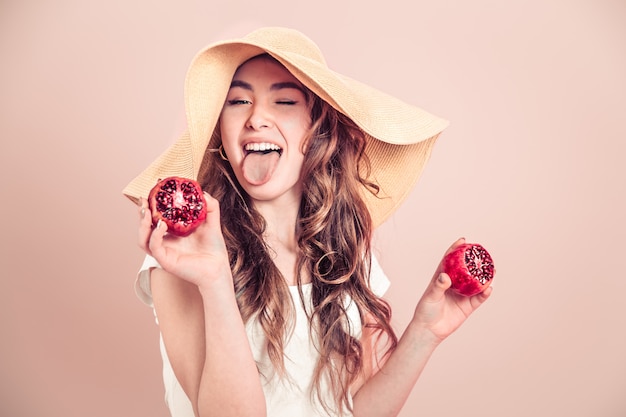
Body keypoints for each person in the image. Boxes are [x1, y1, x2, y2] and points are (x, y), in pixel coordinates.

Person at [123, 27, 492, 417]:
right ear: (221, 131)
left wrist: (424, 332)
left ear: (318, 131)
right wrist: (216, 282)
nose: (256, 117)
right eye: (237, 101)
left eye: (284, 101)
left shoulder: (345, 250)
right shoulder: (183, 258)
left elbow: (356, 411)